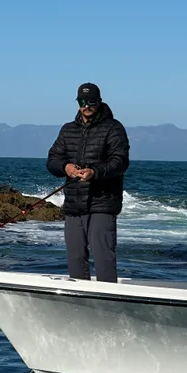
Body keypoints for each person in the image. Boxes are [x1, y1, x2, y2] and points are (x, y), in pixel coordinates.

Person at [47, 83, 130, 282]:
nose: (87, 106)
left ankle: (109, 308)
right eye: (82, 102)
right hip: (74, 206)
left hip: (102, 204)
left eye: (91, 102)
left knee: (104, 261)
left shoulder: (113, 128)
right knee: (75, 260)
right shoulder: (67, 130)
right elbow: (52, 160)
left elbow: (120, 162)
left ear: (99, 102)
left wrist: (94, 172)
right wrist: (65, 167)